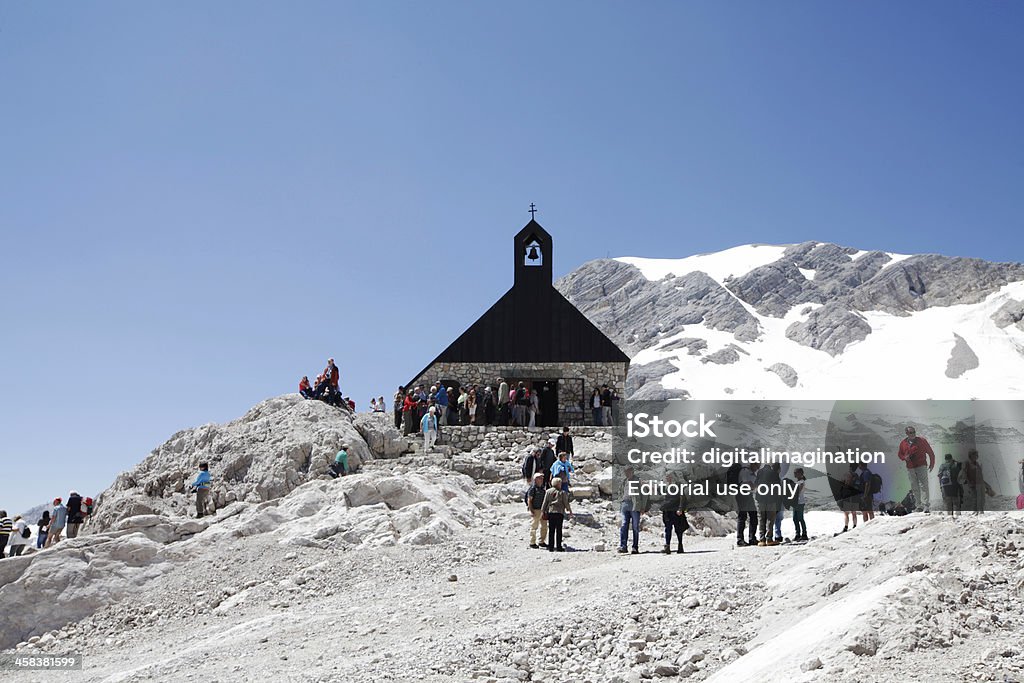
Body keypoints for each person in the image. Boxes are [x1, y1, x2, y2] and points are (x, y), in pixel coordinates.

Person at [897, 426, 935, 513]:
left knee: (923, 485)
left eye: (914, 432)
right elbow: (900, 454)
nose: (913, 434)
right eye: (911, 432)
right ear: (907, 433)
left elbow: (930, 452)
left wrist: (932, 463)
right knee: (914, 487)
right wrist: (904, 457)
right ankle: (919, 506)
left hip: (921, 465)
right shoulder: (903, 443)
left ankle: (926, 505)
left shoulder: (922, 441)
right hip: (910, 467)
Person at [618, 468, 648, 554]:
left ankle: (635, 547)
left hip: (635, 505)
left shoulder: (638, 481)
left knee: (635, 526)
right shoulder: (624, 481)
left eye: (628, 472)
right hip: (625, 505)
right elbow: (620, 491)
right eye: (625, 472)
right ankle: (623, 546)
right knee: (624, 525)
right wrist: (621, 500)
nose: (626, 473)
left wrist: (643, 507)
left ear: (632, 472)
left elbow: (645, 493)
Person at [541, 477, 572, 552]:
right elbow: (566, 503)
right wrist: (569, 510)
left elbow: (545, 502)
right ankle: (559, 547)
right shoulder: (562, 492)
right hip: (559, 512)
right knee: (559, 530)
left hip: (551, 512)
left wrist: (543, 511)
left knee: (551, 530)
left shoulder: (548, 491)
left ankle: (551, 547)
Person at [661, 473, 687, 554]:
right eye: (667, 477)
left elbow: (682, 497)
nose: (668, 478)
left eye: (669, 477)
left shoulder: (678, 486)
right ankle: (667, 546)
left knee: (678, 529)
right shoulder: (666, 486)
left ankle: (680, 545)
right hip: (667, 511)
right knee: (668, 528)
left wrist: (680, 508)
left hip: (676, 511)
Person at [755, 463, 781, 546]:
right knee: (770, 519)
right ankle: (769, 539)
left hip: (760, 499)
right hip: (771, 499)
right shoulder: (774, 473)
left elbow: (756, 484)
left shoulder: (759, 472)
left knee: (761, 519)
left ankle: (762, 540)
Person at [961, 450, 994, 514]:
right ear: (971, 455)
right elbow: (964, 474)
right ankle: (975, 512)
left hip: (980, 483)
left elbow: (980, 476)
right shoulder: (966, 463)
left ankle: (981, 511)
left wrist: (987, 485)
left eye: (977, 455)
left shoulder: (977, 463)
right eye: (976, 455)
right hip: (973, 484)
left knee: (981, 498)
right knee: (975, 498)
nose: (977, 456)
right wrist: (969, 482)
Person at [735, 462, 759, 547]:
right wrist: (755, 485)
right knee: (742, 516)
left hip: (748, 495)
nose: (758, 467)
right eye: (757, 465)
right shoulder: (745, 471)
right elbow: (748, 484)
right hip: (742, 494)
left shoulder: (752, 473)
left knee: (753, 515)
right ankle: (740, 540)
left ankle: (752, 538)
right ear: (752, 464)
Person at [525, 473, 548, 549]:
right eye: (539, 478)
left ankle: (541, 541)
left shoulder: (542, 488)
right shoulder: (532, 489)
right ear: (535, 479)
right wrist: (531, 510)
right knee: (534, 526)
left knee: (544, 526)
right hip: (536, 510)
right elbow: (529, 500)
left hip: (542, 510)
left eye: (542, 478)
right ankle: (532, 542)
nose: (541, 479)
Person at [839, 464, 861, 532]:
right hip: (854, 496)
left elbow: (841, 484)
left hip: (846, 496)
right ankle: (854, 526)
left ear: (850, 467)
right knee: (854, 513)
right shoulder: (857, 476)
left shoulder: (846, 474)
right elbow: (859, 485)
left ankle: (846, 527)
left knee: (846, 513)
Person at [792, 468, 808, 541]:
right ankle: (797, 533)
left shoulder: (801, 482)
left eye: (796, 473)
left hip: (800, 502)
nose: (794, 474)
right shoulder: (797, 482)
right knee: (795, 518)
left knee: (800, 518)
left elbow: (798, 491)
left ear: (800, 473)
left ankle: (804, 534)